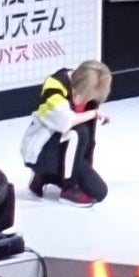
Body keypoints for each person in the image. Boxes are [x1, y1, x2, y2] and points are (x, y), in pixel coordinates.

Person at [21, 61, 112, 206]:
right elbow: (65, 122)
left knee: (99, 192)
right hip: (41, 148)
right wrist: (94, 113)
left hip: (67, 152)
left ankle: (44, 177)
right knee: (79, 132)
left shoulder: (88, 90)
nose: (86, 100)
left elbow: (89, 138)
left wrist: (85, 167)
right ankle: (67, 189)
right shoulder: (55, 85)